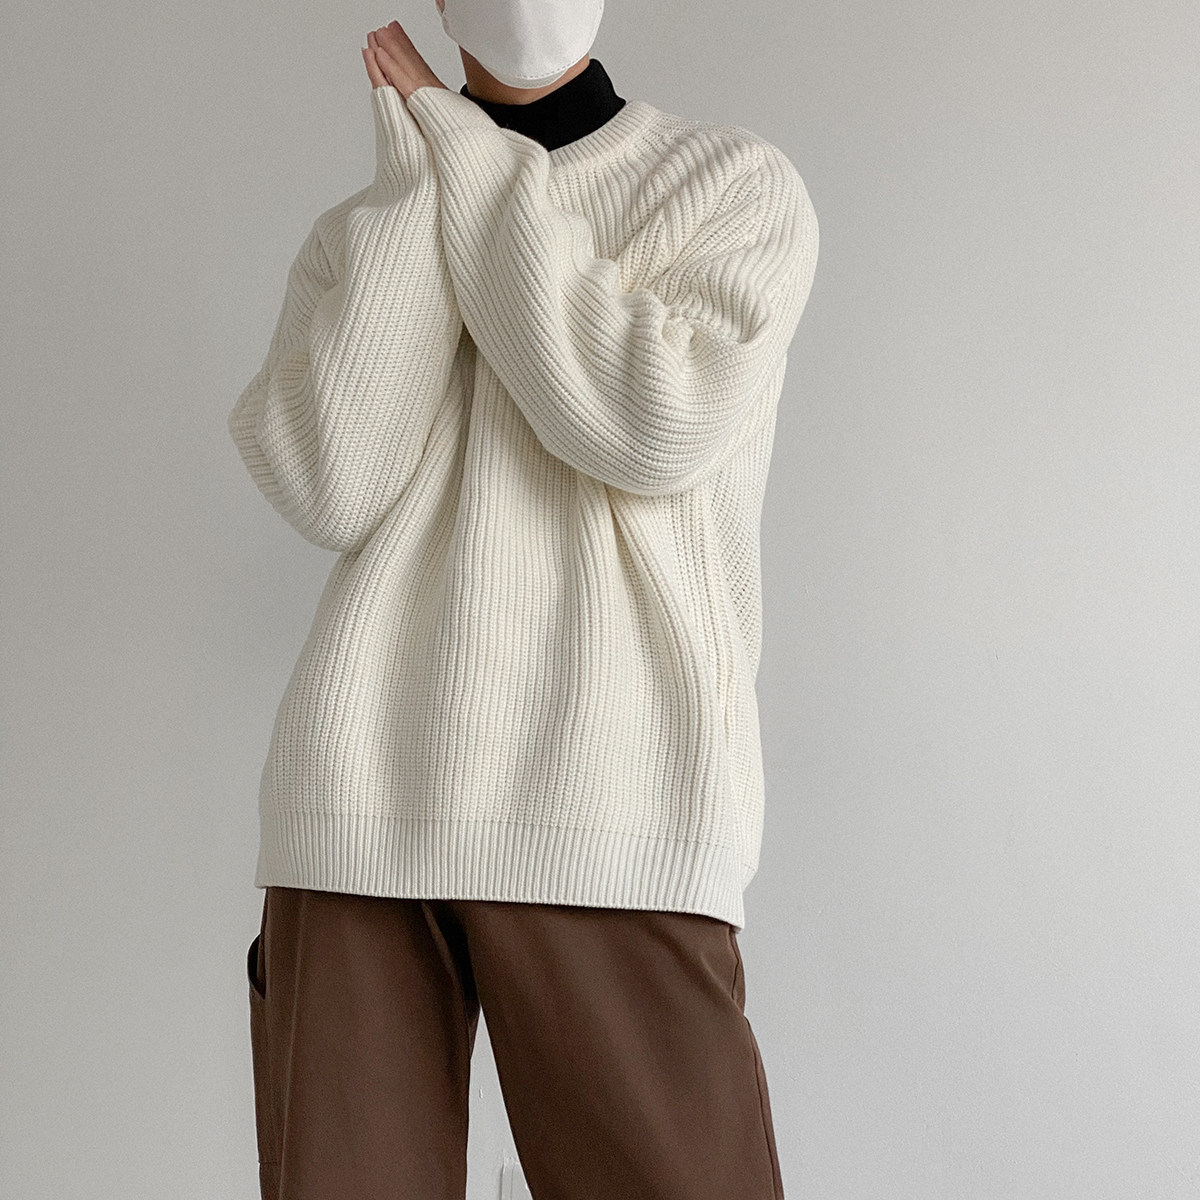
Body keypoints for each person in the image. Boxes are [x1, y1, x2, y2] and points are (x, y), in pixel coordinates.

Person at [228, 5, 818, 1198]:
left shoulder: (730, 186)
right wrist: (421, 181)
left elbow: (645, 421)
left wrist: (464, 148)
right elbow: (329, 481)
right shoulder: (367, 225)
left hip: (614, 806)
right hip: (360, 802)